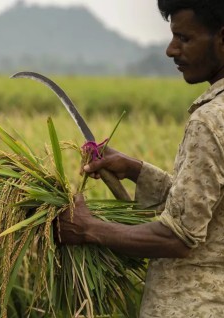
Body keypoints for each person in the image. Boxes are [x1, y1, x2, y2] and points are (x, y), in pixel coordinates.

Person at [58, 0, 224, 317]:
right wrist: (135, 170)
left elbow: (178, 237)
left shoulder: (210, 121)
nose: (171, 50)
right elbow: (205, 204)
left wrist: (88, 228)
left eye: (184, 38)